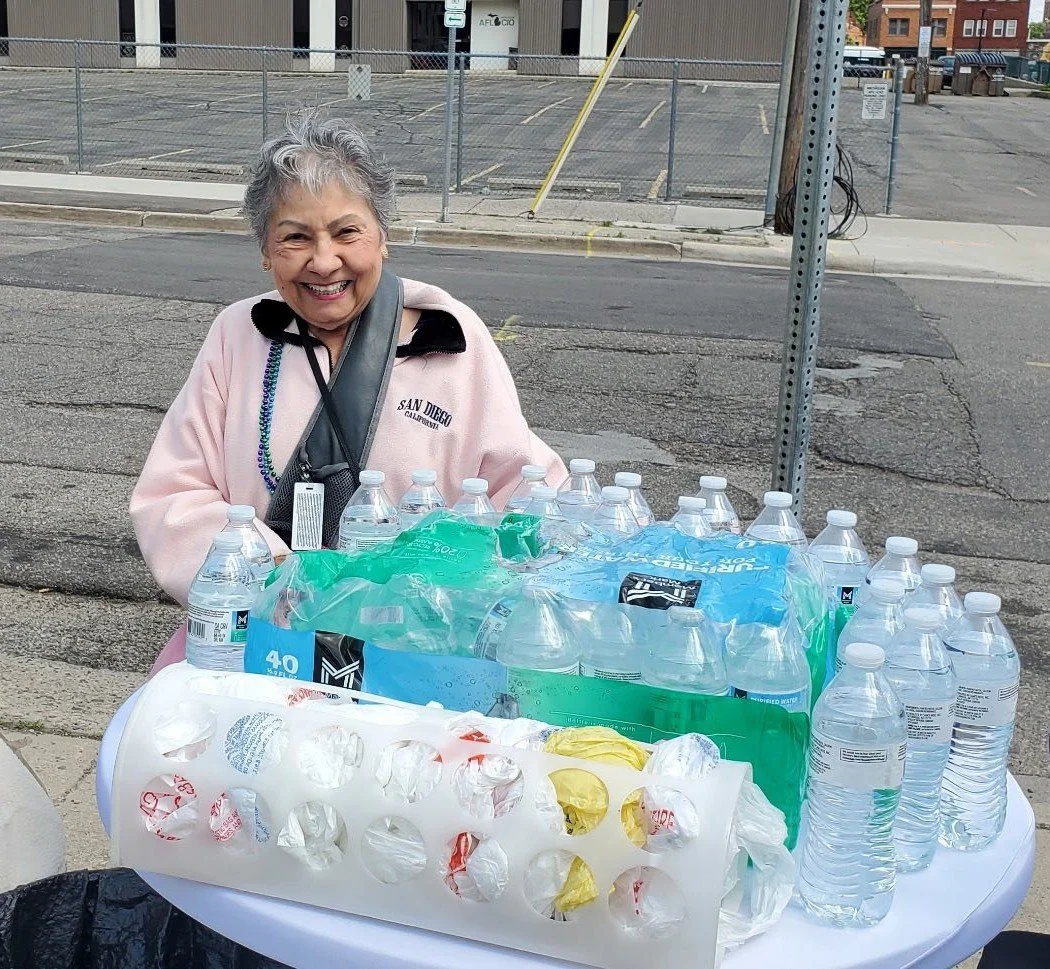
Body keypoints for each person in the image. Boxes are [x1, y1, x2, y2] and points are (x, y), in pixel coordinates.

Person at [131, 113, 565, 670]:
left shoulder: (451, 338)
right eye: (294, 238)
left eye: (346, 231)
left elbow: (525, 493)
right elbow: (173, 493)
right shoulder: (238, 334)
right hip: (257, 635)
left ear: (382, 236)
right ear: (265, 253)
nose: (324, 261)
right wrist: (280, 582)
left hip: (411, 653)